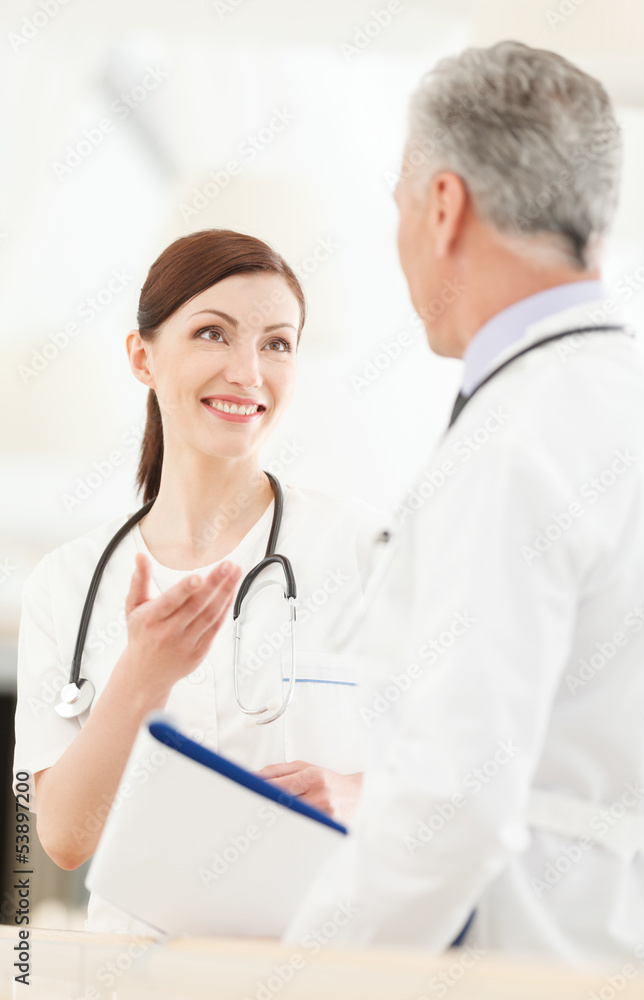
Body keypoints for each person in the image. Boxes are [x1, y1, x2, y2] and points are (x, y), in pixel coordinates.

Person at [283, 41, 644, 970]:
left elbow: (457, 801)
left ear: (444, 206)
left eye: (401, 208)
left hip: (527, 954)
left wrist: (292, 976)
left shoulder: (515, 440)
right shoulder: (631, 406)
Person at [13, 228, 389, 934]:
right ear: (141, 356)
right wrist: (140, 679)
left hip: (320, 965)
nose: (248, 371)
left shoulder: (367, 549)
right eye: (213, 334)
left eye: (277, 343)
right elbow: (63, 838)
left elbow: (487, 758)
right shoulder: (67, 583)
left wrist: (358, 791)